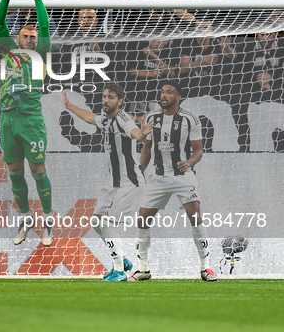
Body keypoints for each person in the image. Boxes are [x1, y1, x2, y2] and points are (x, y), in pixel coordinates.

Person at [62, 85, 153, 281]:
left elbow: (135, 133)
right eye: (104, 96)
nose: (106, 100)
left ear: (120, 101)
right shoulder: (105, 119)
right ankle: (122, 260)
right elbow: (89, 117)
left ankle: (119, 270)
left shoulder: (123, 119)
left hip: (130, 182)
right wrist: (69, 106)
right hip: (113, 182)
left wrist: (143, 133)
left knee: (106, 222)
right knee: (96, 222)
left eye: (111, 97)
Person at [131, 81, 218, 282]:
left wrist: (188, 163)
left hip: (182, 175)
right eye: (162, 92)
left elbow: (198, 150)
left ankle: (206, 268)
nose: (164, 95)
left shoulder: (190, 119)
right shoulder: (152, 118)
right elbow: (146, 149)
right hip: (158, 176)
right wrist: (138, 173)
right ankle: (143, 269)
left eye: (169, 92)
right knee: (142, 219)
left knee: (195, 215)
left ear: (178, 97)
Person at [0, 0, 54, 246]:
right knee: (15, 174)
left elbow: (44, 27)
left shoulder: (40, 55)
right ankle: (25, 218)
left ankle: (48, 220)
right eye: (25, 36)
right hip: (7, 120)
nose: (30, 39)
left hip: (31, 120)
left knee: (38, 171)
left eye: (32, 36)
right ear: (18, 38)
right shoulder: (8, 51)